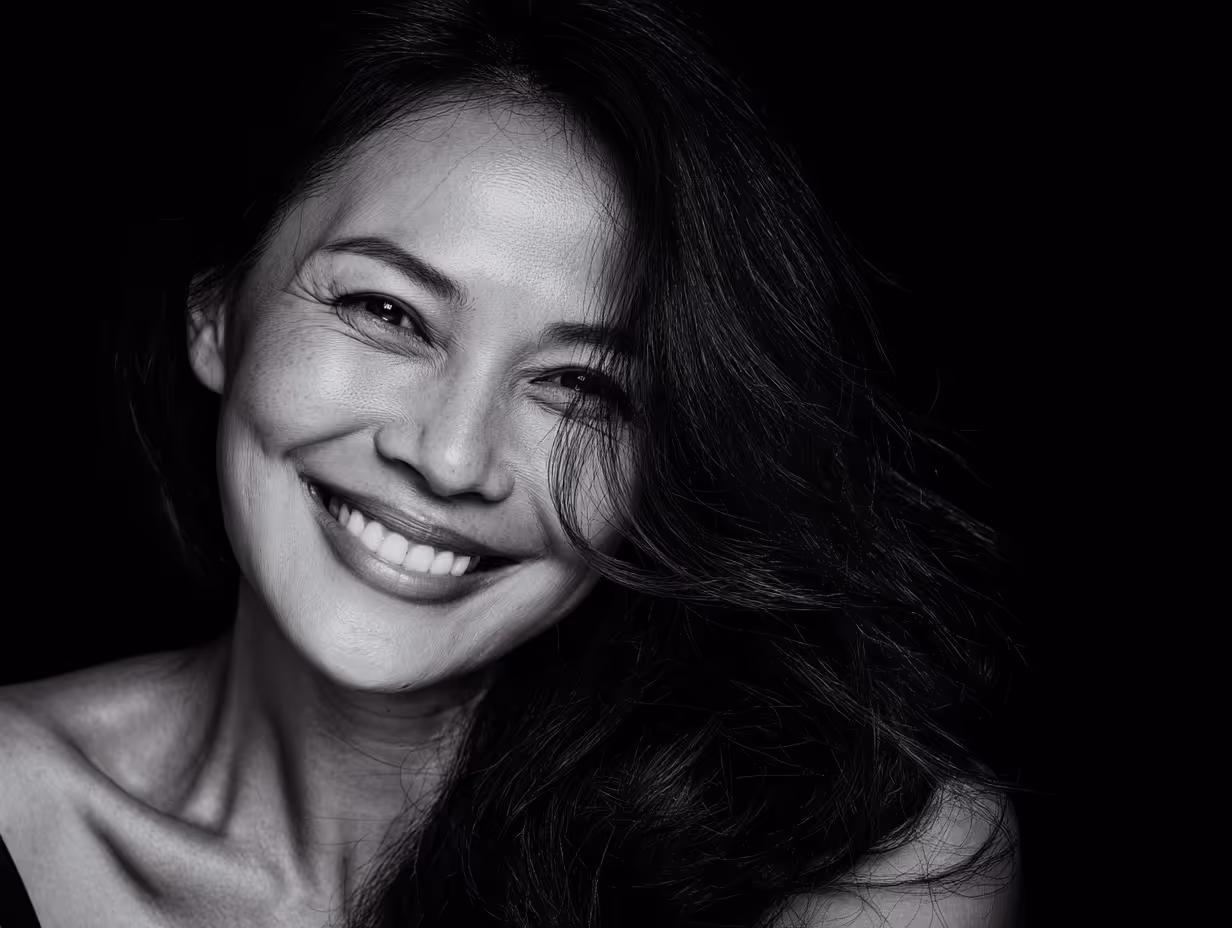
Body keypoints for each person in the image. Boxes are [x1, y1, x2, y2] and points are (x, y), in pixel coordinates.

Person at [0, 1, 1026, 925]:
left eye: (581, 388)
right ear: (217, 311)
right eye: (387, 313)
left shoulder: (880, 866)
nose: (451, 458)